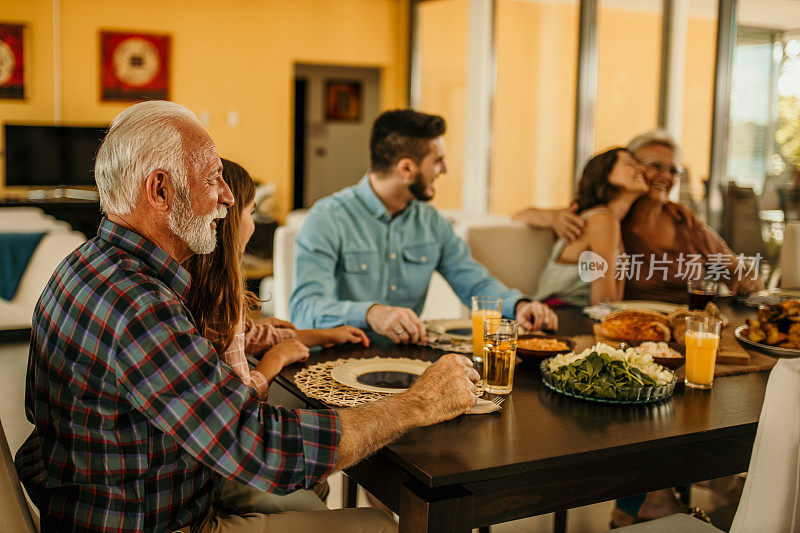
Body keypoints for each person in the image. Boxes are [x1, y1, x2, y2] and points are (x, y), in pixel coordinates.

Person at [15, 100, 481, 532]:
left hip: (137, 490)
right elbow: (262, 448)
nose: (227, 196)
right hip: (159, 520)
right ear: (159, 189)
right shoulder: (139, 306)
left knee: (311, 484)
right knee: (377, 526)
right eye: (213, 177)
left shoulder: (89, 265)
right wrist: (418, 403)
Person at [184, 158, 370, 515]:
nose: (255, 225)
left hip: (214, 455)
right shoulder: (209, 298)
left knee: (316, 480)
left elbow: (242, 334)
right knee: (314, 483)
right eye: (251, 212)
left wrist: (312, 335)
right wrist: (272, 364)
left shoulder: (208, 285)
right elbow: (235, 402)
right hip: (217, 468)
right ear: (228, 219)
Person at [290, 109, 557, 343]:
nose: (445, 169)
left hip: (406, 362)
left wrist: (520, 305)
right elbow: (305, 310)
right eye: (438, 160)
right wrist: (371, 313)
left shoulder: (433, 223)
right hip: (331, 362)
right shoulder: (327, 219)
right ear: (406, 168)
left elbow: (475, 284)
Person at [514, 129, 763, 304]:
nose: (666, 175)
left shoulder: (685, 223)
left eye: (673, 170)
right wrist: (553, 217)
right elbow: (522, 215)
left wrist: (749, 282)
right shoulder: (606, 219)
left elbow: (741, 272)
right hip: (609, 326)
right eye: (655, 165)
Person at [532, 148, 647, 306]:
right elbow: (603, 304)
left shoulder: (608, 220)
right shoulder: (602, 220)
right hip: (559, 316)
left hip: (568, 316)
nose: (641, 169)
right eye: (629, 163)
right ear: (604, 173)